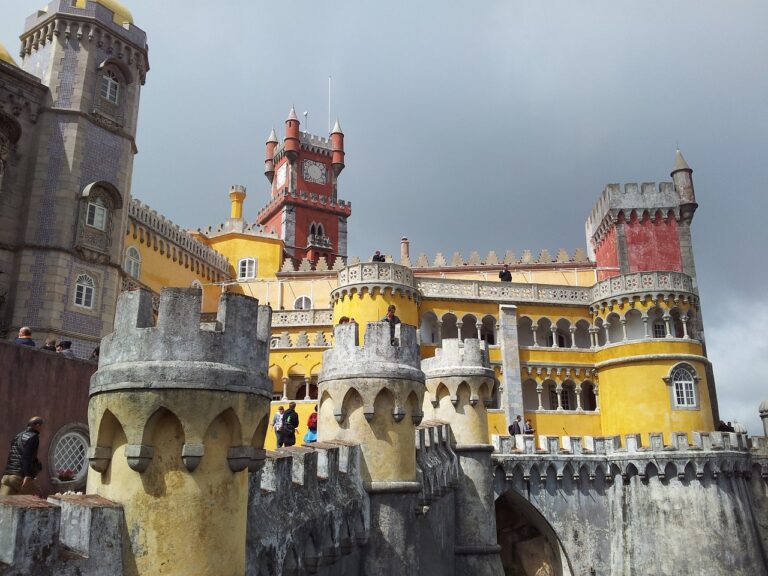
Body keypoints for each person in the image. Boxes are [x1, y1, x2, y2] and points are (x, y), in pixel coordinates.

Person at [0, 416, 44, 496]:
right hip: (18, 477)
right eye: (42, 426)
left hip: (7, 477)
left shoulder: (17, 436)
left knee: (3, 503)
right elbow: (26, 457)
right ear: (37, 425)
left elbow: (11, 456)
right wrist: (27, 475)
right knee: (38, 496)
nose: (42, 428)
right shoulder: (34, 437)